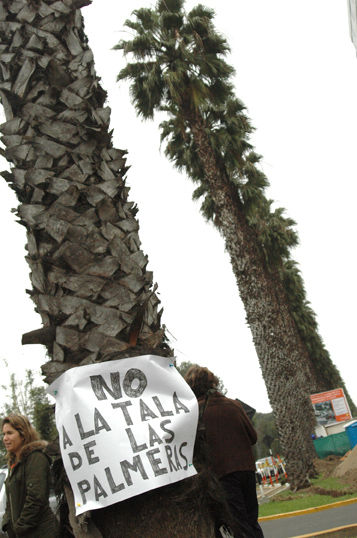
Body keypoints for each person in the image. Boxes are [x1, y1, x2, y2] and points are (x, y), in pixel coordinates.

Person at [185, 365, 264, 538]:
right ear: (213, 382)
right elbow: (253, 437)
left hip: (223, 475)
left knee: (239, 525)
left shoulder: (194, 413)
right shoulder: (234, 406)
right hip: (247, 471)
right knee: (251, 521)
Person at [1, 414, 59, 538]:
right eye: (3, 434)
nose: (5, 438)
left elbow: (36, 498)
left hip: (41, 533)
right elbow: (10, 500)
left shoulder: (36, 457)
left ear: (23, 434)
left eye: (10, 433)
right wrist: (7, 523)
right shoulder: (14, 463)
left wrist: (19, 527)